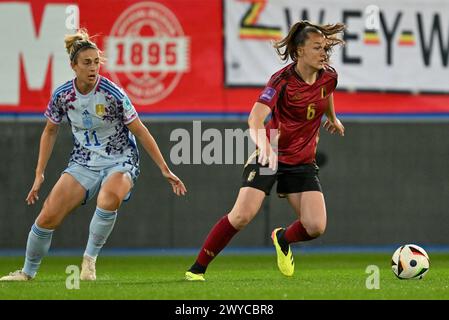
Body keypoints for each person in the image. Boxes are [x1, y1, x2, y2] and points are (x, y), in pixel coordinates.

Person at [0, 28, 186, 281]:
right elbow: (50, 131)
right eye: (87, 62)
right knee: (48, 216)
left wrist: (165, 169)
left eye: (96, 62)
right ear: (73, 66)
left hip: (121, 159)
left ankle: (89, 262)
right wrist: (39, 173)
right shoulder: (63, 96)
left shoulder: (113, 94)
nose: (93, 67)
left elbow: (140, 131)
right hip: (83, 162)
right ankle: (27, 272)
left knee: (108, 198)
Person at [185, 21, 345, 281]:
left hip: (302, 161)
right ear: (299, 51)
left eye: (325, 47)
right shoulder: (281, 81)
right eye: (317, 47)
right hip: (270, 153)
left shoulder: (329, 75)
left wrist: (333, 118)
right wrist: (265, 148)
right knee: (241, 216)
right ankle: (197, 269)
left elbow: (326, 93)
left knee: (315, 227)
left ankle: (282, 238)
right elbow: (255, 120)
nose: (324, 52)